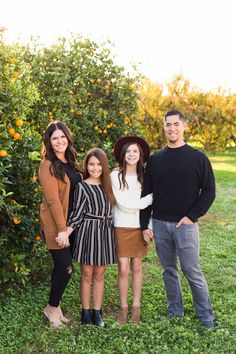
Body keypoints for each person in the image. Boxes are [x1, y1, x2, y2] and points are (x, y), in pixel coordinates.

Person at [140, 109, 216, 329]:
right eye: (167, 124)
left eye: (176, 124)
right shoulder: (155, 159)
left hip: (186, 225)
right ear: (164, 127)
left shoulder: (198, 158)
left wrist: (192, 216)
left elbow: (209, 190)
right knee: (169, 270)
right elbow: (147, 194)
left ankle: (206, 316)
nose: (172, 128)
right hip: (161, 224)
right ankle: (175, 311)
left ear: (184, 126)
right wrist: (146, 224)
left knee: (192, 270)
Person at [63, 148, 116, 327]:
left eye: (99, 164)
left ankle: (97, 312)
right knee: (87, 273)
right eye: (91, 164)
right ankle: (85, 312)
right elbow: (77, 214)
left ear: (104, 165)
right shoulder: (82, 186)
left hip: (105, 232)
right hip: (88, 231)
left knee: (100, 274)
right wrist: (67, 231)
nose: (95, 168)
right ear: (86, 165)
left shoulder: (109, 185)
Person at [39, 121, 82, 329]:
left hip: (72, 224)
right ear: (49, 141)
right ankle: (52, 308)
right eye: (54, 138)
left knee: (64, 266)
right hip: (56, 224)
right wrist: (62, 229)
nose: (59, 141)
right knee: (64, 267)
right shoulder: (47, 165)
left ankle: (55, 306)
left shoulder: (71, 161)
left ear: (68, 138)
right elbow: (53, 200)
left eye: (62, 136)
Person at [111, 136, 153, 324]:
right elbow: (123, 205)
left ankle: (136, 306)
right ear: (123, 154)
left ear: (140, 155)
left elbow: (151, 208)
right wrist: (148, 199)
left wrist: (149, 227)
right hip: (121, 226)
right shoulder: (114, 176)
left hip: (140, 228)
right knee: (123, 268)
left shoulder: (145, 176)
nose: (131, 154)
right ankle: (123, 307)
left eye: (135, 151)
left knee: (137, 267)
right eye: (128, 151)